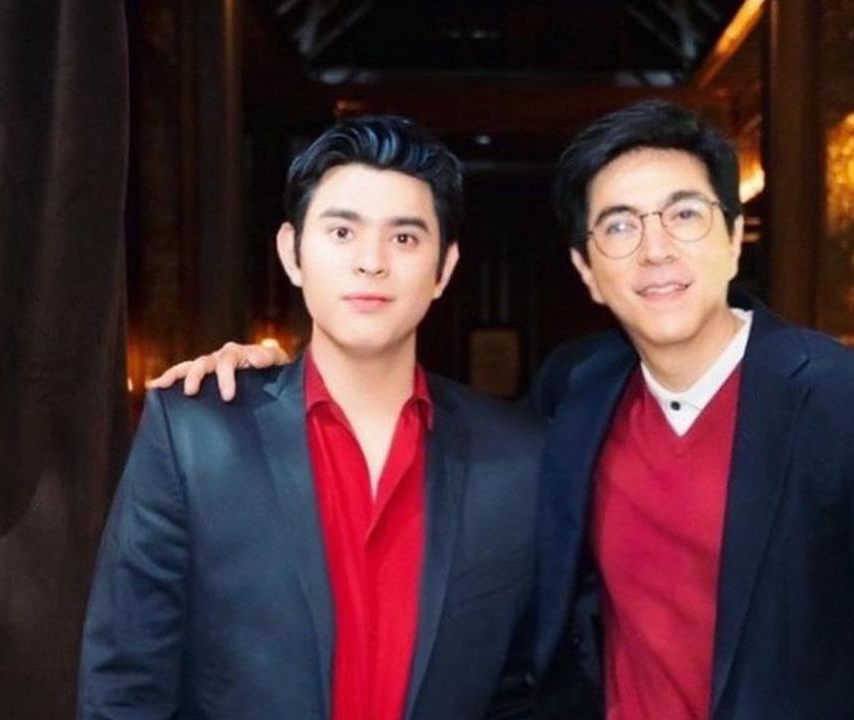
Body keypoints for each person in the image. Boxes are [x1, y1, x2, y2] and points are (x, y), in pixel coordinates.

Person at [157, 101, 854, 719]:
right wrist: (267, 381)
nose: (656, 249)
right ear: (587, 270)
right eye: (619, 226)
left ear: (732, 236)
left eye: (684, 215)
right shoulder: (575, 391)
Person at [80, 116, 544, 720]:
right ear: (291, 252)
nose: (371, 262)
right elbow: (126, 684)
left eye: (405, 238)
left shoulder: (519, 457)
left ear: (444, 268)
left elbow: (528, 688)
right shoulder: (197, 435)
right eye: (342, 232)